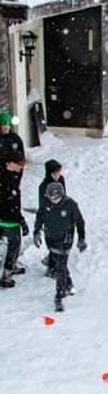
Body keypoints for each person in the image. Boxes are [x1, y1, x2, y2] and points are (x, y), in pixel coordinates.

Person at [33, 182, 87, 312]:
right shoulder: (45, 204)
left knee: (60, 267)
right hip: (50, 239)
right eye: (51, 197)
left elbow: (80, 222)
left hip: (65, 240)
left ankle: (59, 295)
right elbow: (39, 217)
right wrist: (36, 232)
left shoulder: (70, 205)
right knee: (58, 263)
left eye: (56, 197)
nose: (53, 200)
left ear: (62, 195)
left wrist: (81, 238)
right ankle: (69, 285)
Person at [0, 110, 27, 284]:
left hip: (11, 194)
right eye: (2, 124)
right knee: (14, 240)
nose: (5, 127)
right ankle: (8, 271)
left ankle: (12, 265)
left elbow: (21, 160)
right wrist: (21, 220)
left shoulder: (15, 140)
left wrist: (16, 168)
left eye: (7, 124)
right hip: (6, 203)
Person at [38, 159, 66, 277]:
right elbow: (43, 205)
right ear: (49, 173)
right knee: (54, 242)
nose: (58, 174)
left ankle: (51, 260)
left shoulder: (61, 180)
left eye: (59, 171)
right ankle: (51, 268)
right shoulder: (44, 186)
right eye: (55, 172)